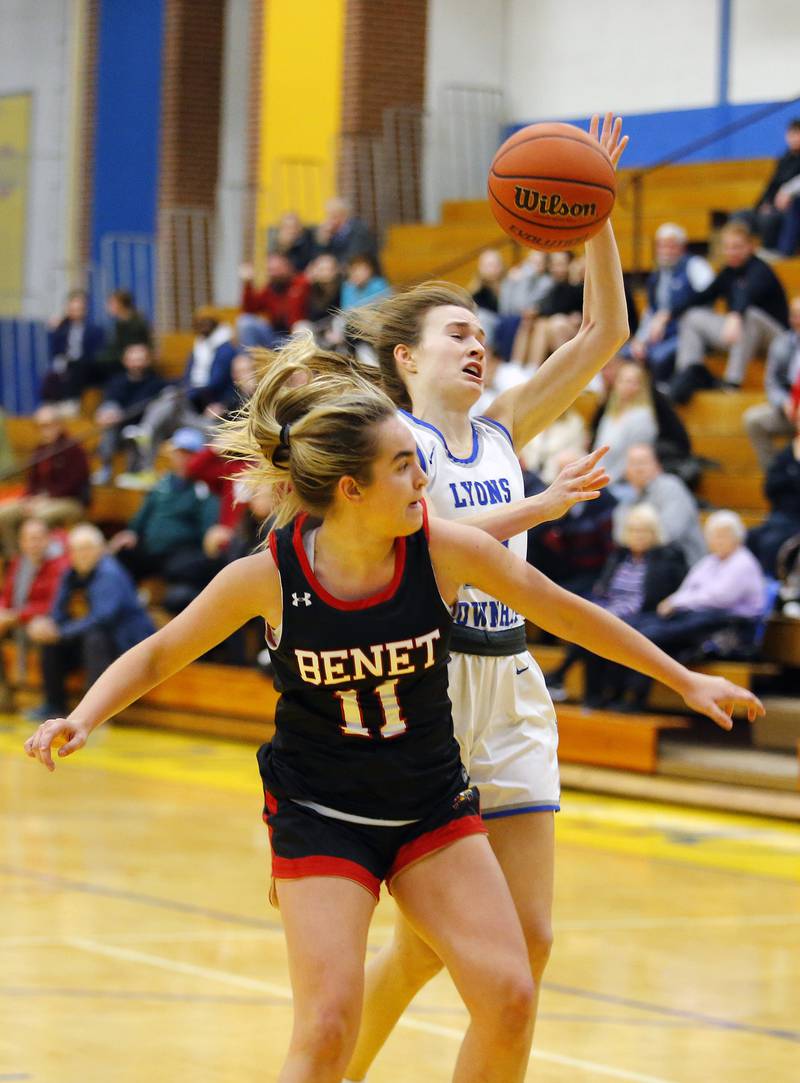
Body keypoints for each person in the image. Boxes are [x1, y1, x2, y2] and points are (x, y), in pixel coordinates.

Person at [24, 338, 763, 1083]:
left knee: (510, 994)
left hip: (428, 804)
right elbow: (158, 652)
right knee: (325, 1027)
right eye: (405, 466)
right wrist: (83, 715)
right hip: (322, 810)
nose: (423, 480)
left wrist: (683, 677)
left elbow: (565, 612)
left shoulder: (443, 549)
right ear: (350, 489)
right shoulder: (269, 576)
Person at [341, 110, 635, 1083]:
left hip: (507, 683)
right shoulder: (392, 443)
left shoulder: (503, 424)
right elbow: (431, 552)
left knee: (529, 943)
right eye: (454, 335)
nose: (475, 348)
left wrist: (591, 204)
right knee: (451, 952)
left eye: (480, 335)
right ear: (404, 360)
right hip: (427, 699)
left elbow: (605, 333)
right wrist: (539, 506)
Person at [615, 511, 766, 709]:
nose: (717, 541)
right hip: (695, 616)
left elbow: (718, 598)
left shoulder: (743, 563)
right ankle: (625, 697)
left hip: (729, 624)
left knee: (652, 636)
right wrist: (673, 601)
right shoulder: (709, 561)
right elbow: (686, 590)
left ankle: (633, 699)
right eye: (713, 536)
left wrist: (677, 603)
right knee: (638, 626)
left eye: (723, 535)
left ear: (737, 537)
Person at [544, 504, 687, 706]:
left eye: (643, 530)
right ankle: (589, 696)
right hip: (611, 606)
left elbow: (660, 596)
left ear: (654, 533)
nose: (637, 535)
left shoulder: (666, 558)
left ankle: (560, 674)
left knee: (594, 626)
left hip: (640, 612)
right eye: (633, 530)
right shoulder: (620, 556)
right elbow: (604, 587)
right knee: (588, 622)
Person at [25, 523, 154, 720]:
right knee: (51, 643)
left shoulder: (109, 573)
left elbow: (102, 619)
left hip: (126, 645)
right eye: (76, 550)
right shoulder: (70, 574)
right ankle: (54, 705)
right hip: (91, 639)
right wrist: (48, 626)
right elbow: (58, 612)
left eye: (87, 548)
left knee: (94, 638)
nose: (81, 554)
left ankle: (93, 713)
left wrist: (61, 632)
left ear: (100, 550)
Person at [670, 221, 789, 402]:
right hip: (742, 335)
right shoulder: (728, 272)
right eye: (728, 247)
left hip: (774, 337)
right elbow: (703, 296)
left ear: (750, 247)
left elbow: (747, 295)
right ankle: (688, 373)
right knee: (692, 317)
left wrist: (735, 315)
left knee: (748, 315)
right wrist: (667, 314)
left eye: (737, 247)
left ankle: (733, 382)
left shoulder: (761, 270)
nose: (732, 252)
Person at [109, 428, 220, 608]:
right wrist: (131, 532)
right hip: (151, 548)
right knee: (122, 553)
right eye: (180, 453)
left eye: (189, 454)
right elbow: (142, 516)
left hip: (181, 552)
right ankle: (124, 603)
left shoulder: (203, 488)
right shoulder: (162, 483)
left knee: (187, 570)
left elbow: (206, 528)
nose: (184, 459)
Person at [627, 223, 714, 384]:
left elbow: (708, 296)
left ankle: (662, 394)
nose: (666, 251)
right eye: (662, 246)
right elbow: (651, 313)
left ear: (682, 247)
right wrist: (639, 339)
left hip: (687, 334)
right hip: (660, 336)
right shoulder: (656, 275)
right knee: (625, 354)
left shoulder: (695, 265)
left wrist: (669, 314)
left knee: (659, 357)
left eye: (671, 246)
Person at [0, 405, 90, 554]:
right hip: (39, 500)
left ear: (59, 424)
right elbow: (32, 481)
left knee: (38, 518)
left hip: (69, 500)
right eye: (40, 426)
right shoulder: (40, 449)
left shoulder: (73, 449)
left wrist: (45, 499)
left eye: (48, 425)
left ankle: (44, 559)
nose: (44, 430)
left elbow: (73, 484)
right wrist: (29, 499)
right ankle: (15, 559)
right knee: (4, 513)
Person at [0, 517, 69, 707]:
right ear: (21, 542)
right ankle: (3, 693)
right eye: (29, 539)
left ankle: (51, 701)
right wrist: (3, 611)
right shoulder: (18, 562)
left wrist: (15, 615)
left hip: (48, 620)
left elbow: (52, 604)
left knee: (41, 629)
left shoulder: (59, 564)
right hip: (18, 618)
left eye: (38, 538)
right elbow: (7, 594)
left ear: (48, 540)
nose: (33, 543)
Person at [612, 443, 706, 567]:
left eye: (643, 463)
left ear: (657, 467)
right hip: (644, 566)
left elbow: (668, 534)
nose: (638, 469)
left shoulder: (671, 486)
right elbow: (619, 536)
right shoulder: (628, 497)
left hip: (682, 565)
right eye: (633, 463)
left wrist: (636, 538)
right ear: (625, 472)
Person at [92, 342, 167, 485]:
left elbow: (148, 408)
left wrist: (121, 414)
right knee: (108, 414)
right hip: (118, 426)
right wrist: (106, 413)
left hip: (141, 427)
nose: (137, 364)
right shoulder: (116, 381)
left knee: (134, 433)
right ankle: (106, 467)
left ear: (148, 361)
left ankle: (135, 472)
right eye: (133, 360)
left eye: (140, 359)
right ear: (125, 361)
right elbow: (110, 400)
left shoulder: (156, 382)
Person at [743, 295, 800, 471]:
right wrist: (784, 403)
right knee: (753, 420)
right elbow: (772, 383)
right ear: (790, 319)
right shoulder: (782, 344)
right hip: (790, 409)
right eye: (795, 315)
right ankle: (777, 478)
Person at [592, 361, 658, 483]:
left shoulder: (642, 417)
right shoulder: (610, 414)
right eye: (623, 381)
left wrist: (606, 482)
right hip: (601, 477)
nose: (626, 386)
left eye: (633, 382)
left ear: (641, 387)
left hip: (623, 482)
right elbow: (597, 449)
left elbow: (632, 460)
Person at [41, 289, 106, 411]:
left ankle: (71, 403)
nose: (75, 312)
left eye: (78, 309)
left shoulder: (95, 330)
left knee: (77, 368)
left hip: (87, 367)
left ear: (85, 309)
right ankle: (50, 407)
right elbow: (55, 351)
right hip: (66, 366)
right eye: (72, 309)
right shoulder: (62, 329)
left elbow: (97, 355)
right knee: (51, 376)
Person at [237, 254, 311, 348]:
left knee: (303, 328)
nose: (274, 273)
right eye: (270, 270)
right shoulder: (269, 289)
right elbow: (249, 310)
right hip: (274, 336)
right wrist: (248, 284)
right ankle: (247, 360)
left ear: (287, 267)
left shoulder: (301, 283)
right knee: (245, 321)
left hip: (296, 336)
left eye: (277, 269)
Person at [93, 290, 152, 381]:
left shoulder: (135, 323)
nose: (107, 307)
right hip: (118, 359)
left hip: (133, 359)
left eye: (111, 304)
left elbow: (130, 347)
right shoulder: (119, 323)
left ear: (120, 304)